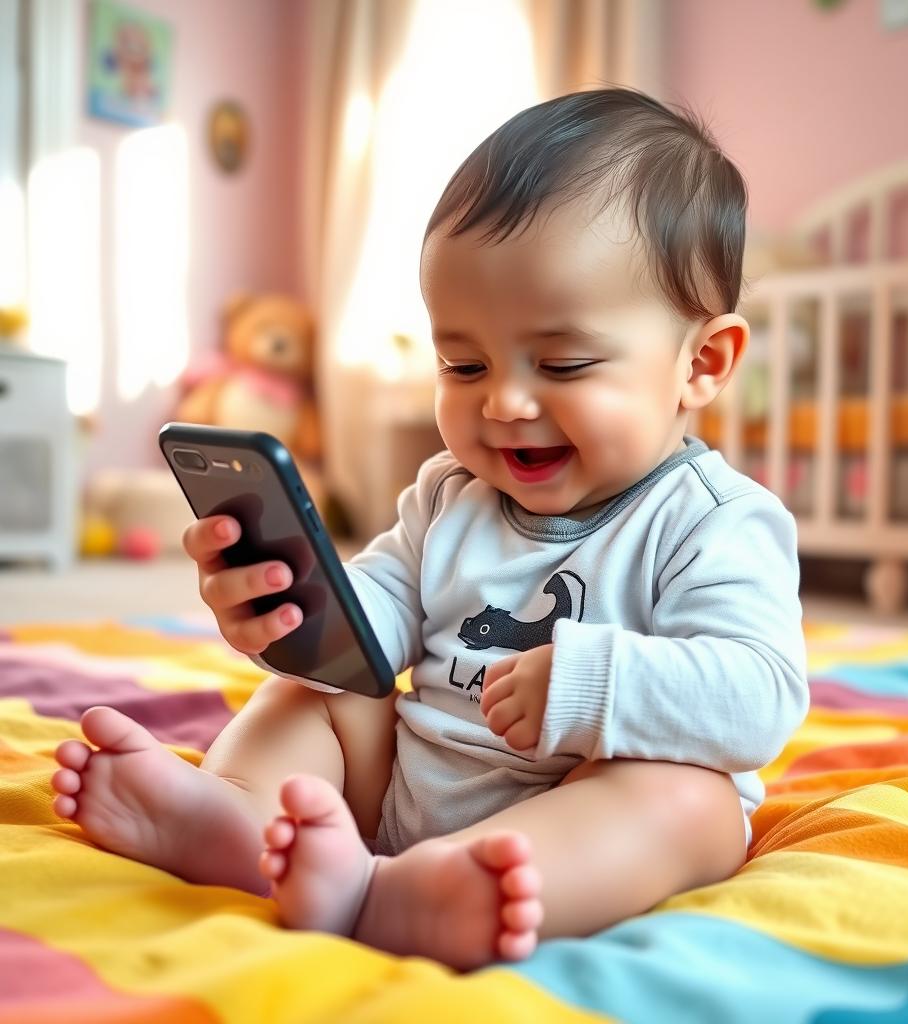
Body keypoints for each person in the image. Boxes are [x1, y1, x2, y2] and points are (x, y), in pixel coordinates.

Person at [50, 87, 808, 972]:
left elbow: (760, 697)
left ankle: (417, 895)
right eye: (464, 362)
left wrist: (596, 682)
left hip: (574, 820)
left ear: (701, 364)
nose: (505, 402)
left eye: (562, 363)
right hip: (404, 789)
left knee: (693, 804)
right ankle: (240, 817)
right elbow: (375, 618)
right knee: (324, 694)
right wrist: (294, 611)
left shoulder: (714, 524)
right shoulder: (449, 494)